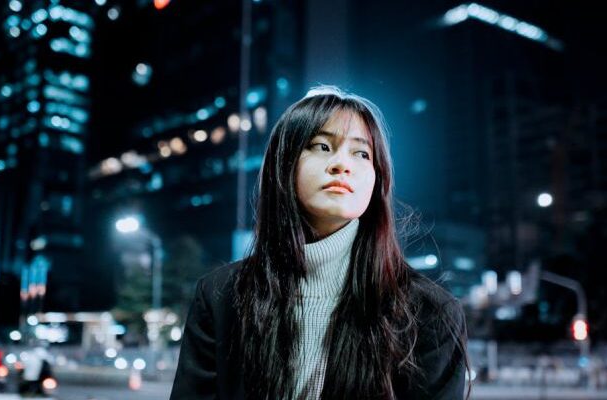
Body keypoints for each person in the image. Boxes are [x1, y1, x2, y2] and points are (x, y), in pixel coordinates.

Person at [170, 86, 470, 400]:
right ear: (283, 166)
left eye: (362, 153)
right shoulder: (221, 297)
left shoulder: (430, 312)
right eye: (322, 146)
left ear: (376, 180)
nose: (342, 164)